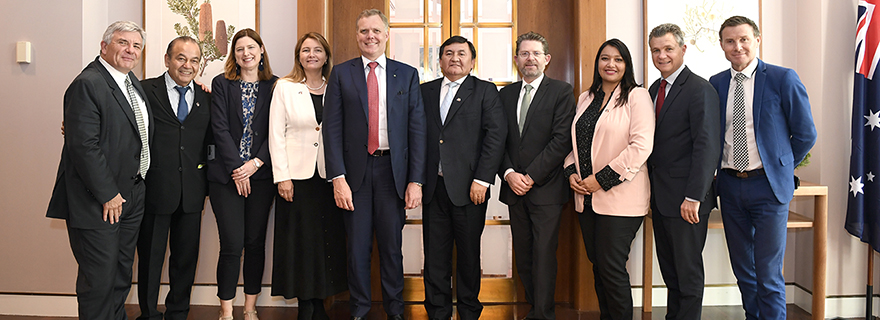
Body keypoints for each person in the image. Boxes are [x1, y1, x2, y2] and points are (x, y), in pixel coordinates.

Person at [708, 16, 816, 320]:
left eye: (744, 39)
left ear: (757, 40)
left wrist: (779, 167)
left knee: (768, 272)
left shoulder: (783, 78)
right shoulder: (716, 83)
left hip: (768, 188)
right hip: (729, 186)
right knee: (744, 270)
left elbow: (806, 133)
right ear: (722, 46)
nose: (737, 46)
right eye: (730, 41)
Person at [322, 8, 426, 320]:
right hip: (354, 175)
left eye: (376, 31)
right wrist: (337, 177)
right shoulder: (341, 73)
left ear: (386, 35)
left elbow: (417, 129)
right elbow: (332, 130)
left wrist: (416, 180)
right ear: (357, 36)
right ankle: (360, 310)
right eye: (364, 31)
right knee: (357, 249)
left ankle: (395, 311)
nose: (370, 37)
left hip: (392, 172)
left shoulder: (406, 74)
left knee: (393, 249)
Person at [46, 21, 151, 320]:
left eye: (136, 46)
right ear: (104, 46)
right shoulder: (88, 83)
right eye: (122, 43)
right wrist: (109, 194)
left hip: (131, 195)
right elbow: (84, 147)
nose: (130, 50)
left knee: (119, 276)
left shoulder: (132, 84)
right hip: (100, 201)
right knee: (99, 282)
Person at [563, 38, 654, 320]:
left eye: (618, 59)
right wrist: (571, 173)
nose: (610, 64)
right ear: (597, 63)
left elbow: (641, 146)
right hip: (586, 199)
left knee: (612, 268)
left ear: (626, 65)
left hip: (621, 199)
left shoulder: (637, 96)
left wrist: (600, 180)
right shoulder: (586, 97)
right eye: (605, 58)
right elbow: (576, 145)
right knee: (599, 267)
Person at [420, 35, 506, 320]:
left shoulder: (484, 91)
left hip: (471, 189)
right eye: (448, 53)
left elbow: (495, 137)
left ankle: (469, 311)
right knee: (435, 257)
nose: (454, 58)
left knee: (468, 256)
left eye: (461, 53)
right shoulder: (426, 91)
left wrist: (482, 180)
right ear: (440, 59)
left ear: (472, 60)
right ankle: (437, 312)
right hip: (434, 188)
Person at [268, 32, 347, 320]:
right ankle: (306, 304)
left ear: (326, 56)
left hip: (329, 178)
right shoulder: (285, 87)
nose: (311, 54)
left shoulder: (336, 87)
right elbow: (275, 135)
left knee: (327, 240)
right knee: (300, 243)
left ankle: (321, 301)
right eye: (305, 50)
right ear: (298, 56)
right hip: (296, 179)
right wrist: (282, 177)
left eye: (317, 50)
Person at [497, 31, 574, 320]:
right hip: (513, 189)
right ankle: (533, 306)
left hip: (546, 190)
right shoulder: (503, 94)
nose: (530, 58)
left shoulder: (562, 91)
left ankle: (543, 314)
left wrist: (529, 176)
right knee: (524, 255)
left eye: (536, 54)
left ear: (547, 59)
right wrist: (508, 174)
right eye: (525, 53)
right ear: (517, 59)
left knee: (543, 256)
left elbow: (561, 140)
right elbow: (496, 141)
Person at [646, 24, 720, 320]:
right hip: (661, 198)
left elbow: (707, 146)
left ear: (683, 50)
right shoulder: (654, 89)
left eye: (668, 49)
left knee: (688, 275)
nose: (662, 55)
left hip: (687, 200)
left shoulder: (700, 89)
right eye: (656, 50)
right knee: (671, 272)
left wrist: (694, 196)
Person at [136, 36, 213, 320]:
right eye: (181, 58)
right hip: (155, 190)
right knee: (151, 259)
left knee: (185, 260)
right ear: (167, 59)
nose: (187, 65)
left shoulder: (207, 97)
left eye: (194, 60)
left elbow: (210, 142)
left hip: (192, 193)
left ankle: (178, 312)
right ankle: (148, 313)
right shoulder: (144, 91)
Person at [208, 28, 278, 320]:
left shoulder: (277, 86)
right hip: (226, 177)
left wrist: (255, 164)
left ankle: (249, 309)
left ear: (261, 51)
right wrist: (239, 168)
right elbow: (219, 129)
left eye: (251, 47)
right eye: (239, 49)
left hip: (261, 176)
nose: (246, 53)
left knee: (254, 243)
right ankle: (226, 311)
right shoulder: (222, 84)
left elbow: (277, 131)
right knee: (232, 244)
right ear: (233, 55)